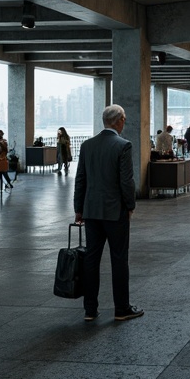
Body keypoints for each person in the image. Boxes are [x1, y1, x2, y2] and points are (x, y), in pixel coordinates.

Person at [74, 104, 143, 322]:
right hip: (115, 212)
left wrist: (78, 209)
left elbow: (80, 180)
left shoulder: (87, 145)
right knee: (119, 259)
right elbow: (126, 181)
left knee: (91, 259)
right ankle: (121, 308)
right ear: (119, 120)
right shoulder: (123, 145)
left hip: (91, 212)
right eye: (124, 119)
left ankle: (90, 310)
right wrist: (130, 205)